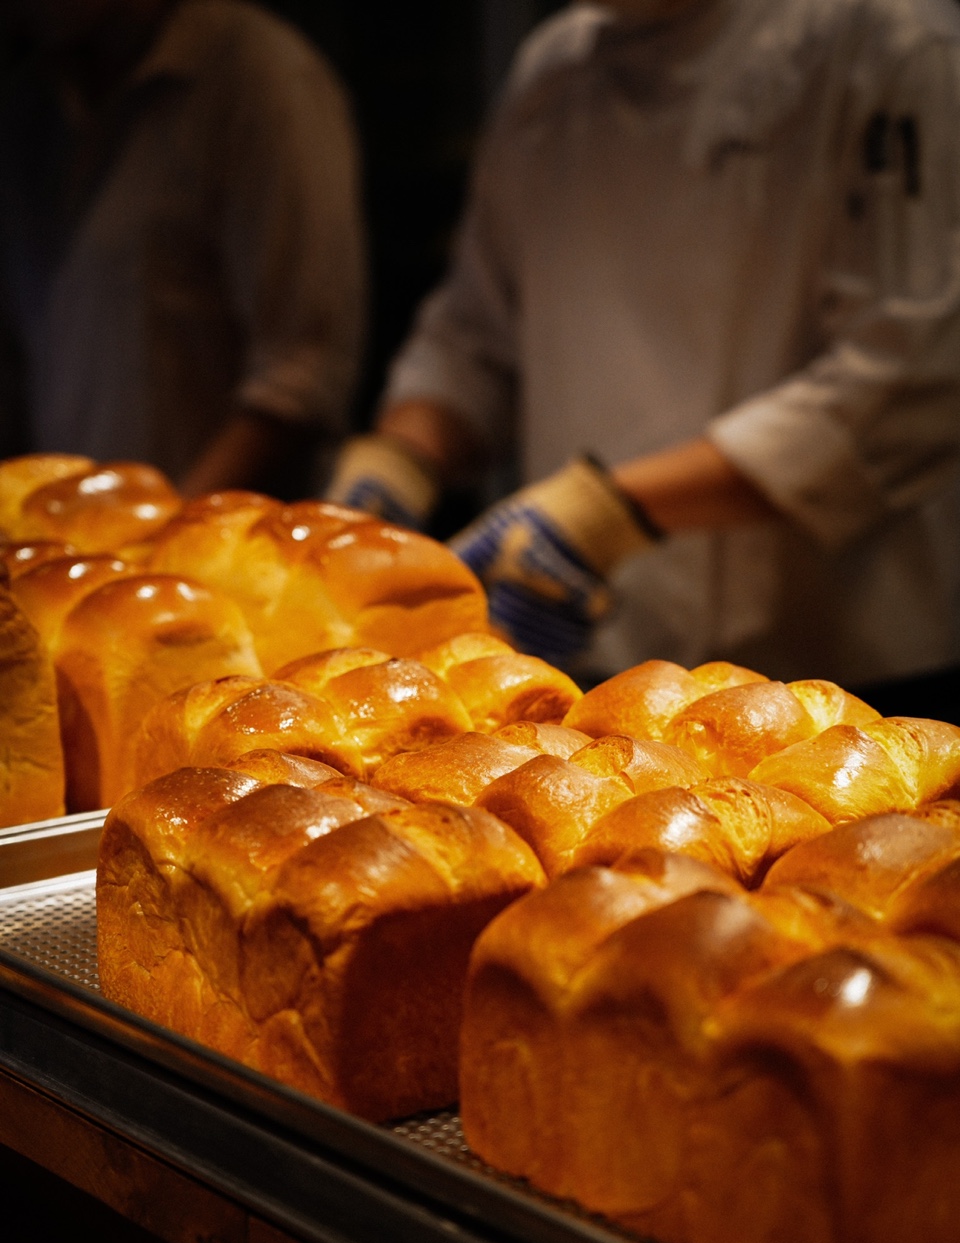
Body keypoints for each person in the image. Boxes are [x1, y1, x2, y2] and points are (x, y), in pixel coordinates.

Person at [328, 0, 960, 720]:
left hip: (839, 677)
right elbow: (477, 334)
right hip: (599, 669)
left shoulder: (892, 44)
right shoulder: (553, 67)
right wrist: (401, 460)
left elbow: (918, 372)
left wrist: (604, 516)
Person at [0, 0, 366, 497]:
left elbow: (301, 376)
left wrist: (164, 542)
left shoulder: (261, 75)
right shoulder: (29, 103)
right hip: (63, 547)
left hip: (223, 549)